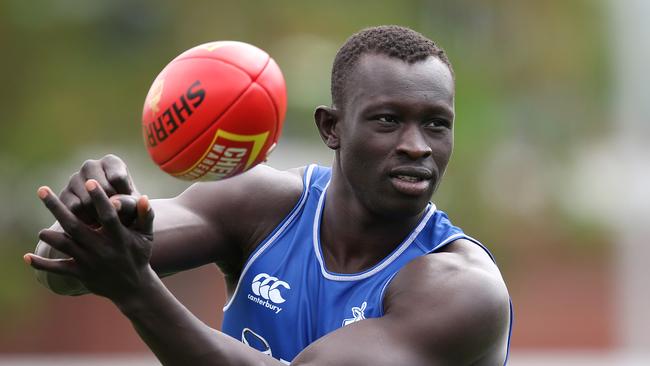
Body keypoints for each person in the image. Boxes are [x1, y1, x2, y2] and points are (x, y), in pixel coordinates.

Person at [25, 25, 512, 365]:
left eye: (436, 124)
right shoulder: (261, 204)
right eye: (387, 120)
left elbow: (129, 280)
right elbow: (65, 271)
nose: (416, 145)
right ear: (331, 127)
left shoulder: (462, 290)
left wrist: (136, 290)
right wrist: (92, 219)